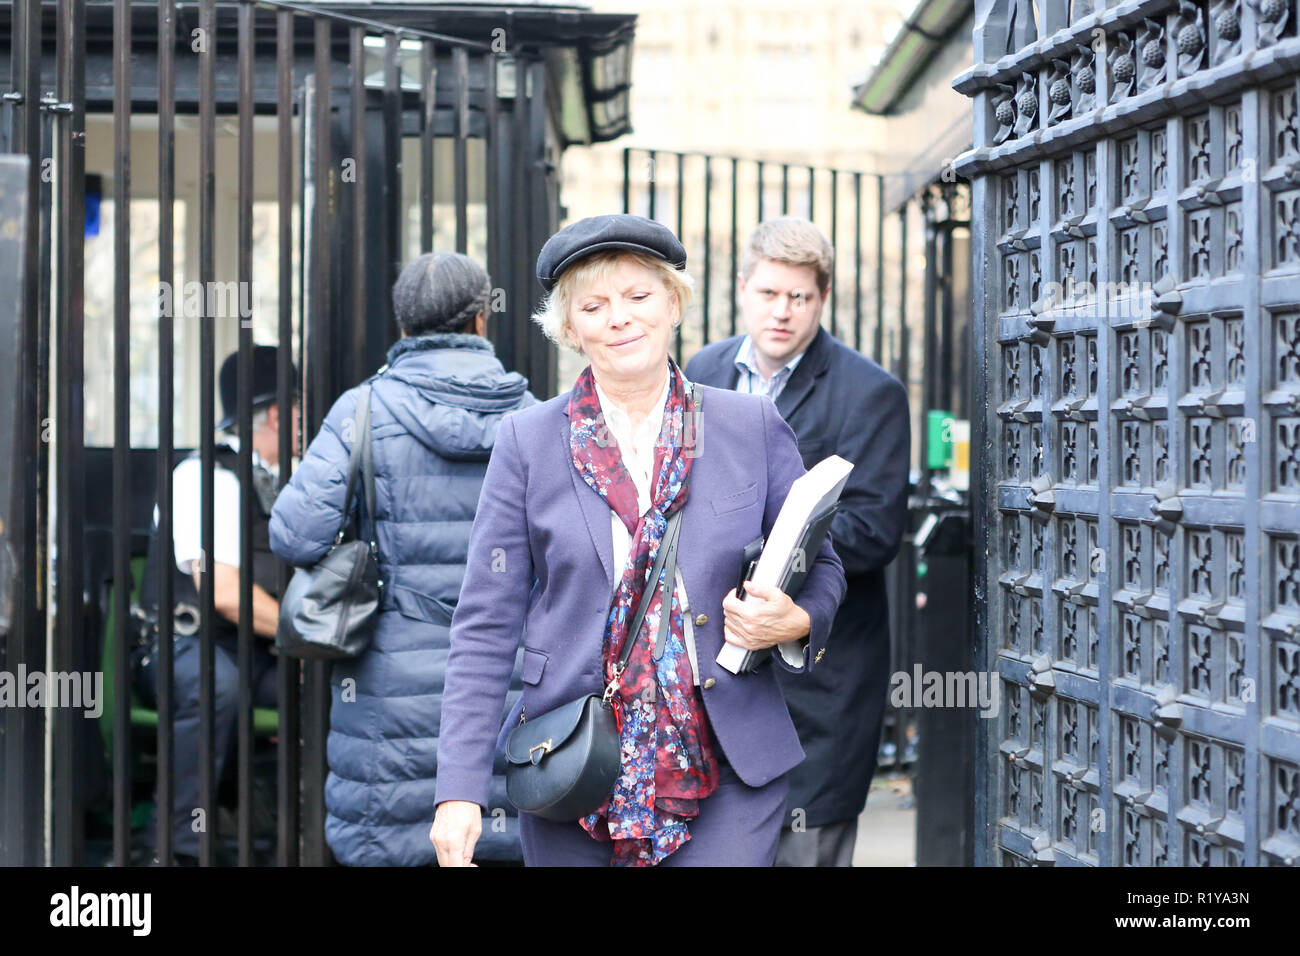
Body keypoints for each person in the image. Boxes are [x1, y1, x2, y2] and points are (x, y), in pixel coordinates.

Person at [429, 214, 847, 867]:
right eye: (594, 305)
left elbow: (820, 563)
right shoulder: (528, 443)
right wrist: (458, 790)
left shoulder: (748, 426)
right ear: (570, 327)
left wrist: (795, 619)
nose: (619, 318)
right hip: (573, 761)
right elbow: (484, 622)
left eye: (639, 296)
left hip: (729, 764)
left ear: (674, 302)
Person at [269, 252, 537, 866]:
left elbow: (295, 536)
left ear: (403, 328)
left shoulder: (364, 410)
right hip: (509, 671)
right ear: (480, 322)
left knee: (389, 840)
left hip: (388, 682)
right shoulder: (536, 418)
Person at [685, 216, 911, 867]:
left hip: (817, 673)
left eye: (800, 298)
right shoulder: (701, 370)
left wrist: (758, 546)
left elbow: (873, 532)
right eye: (769, 294)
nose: (782, 312)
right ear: (741, 288)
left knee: (805, 853)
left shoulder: (871, 393)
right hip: (715, 671)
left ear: (823, 299)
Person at [138, 343, 300, 866]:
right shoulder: (206, 475)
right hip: (181, 646)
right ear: (277, 414)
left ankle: (299, 840)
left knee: (329, 686)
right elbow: (224, 591)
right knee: (216, 686)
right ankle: (178, 849)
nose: (305, 423)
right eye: (299, 410)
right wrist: (305, 634)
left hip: (250, 649)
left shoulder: (279, 481)